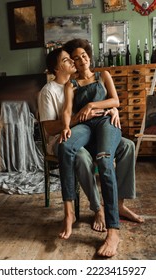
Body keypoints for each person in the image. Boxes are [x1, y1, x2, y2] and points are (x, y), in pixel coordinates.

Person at [38, 47, 144, 257]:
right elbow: (56, 123)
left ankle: (117, 212)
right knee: (72, 150)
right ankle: (89, 210)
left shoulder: (99, 75)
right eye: (70, 59)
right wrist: (69, 124)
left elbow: (114, 100)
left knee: (125, 148)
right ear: (59, 67)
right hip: (78, 133)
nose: (74, 61)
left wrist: (109, 108)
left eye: (78, 57)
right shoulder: (54, 89)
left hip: (100, 126)